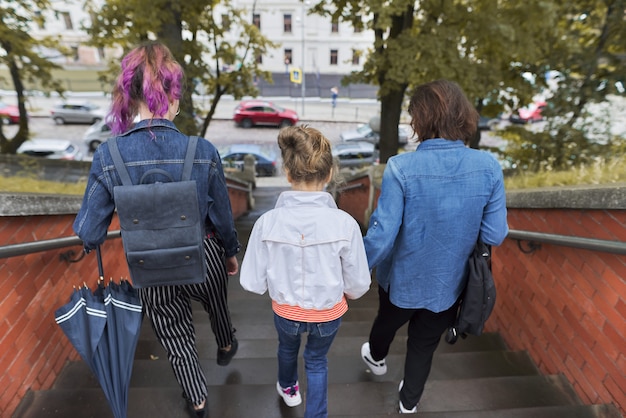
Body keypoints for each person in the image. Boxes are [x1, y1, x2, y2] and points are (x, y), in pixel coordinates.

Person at [73, 41, 241, 418]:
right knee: (217, 303)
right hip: (204, 252)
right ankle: (226, 341)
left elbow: (89, 233)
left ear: (129, 98)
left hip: (150, 266)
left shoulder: (107, 156)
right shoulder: (202, 149)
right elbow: (224, 215)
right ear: (173, 94)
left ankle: (197, 400)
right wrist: (231, 252)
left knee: (174, 330)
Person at [360, 79, 509, 414]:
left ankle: (377, 356)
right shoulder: (488, 167)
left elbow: (382, 237)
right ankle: (408, 402)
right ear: (464, 117)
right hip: (449, 284)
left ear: (420, 120)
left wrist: (350, 273)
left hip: (401, 281)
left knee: (387, 320)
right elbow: (495, 234)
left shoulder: (401, 167)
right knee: (424, 344)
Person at [239, 126, 371, 418]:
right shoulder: (345, 224)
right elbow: (359, 284)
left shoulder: (267, 223)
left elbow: (250, 282)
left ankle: (288, 389)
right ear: (329, 174)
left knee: (287, 350)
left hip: (286, 313)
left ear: (287, 173)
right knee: (316, 361)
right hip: (328, 313)